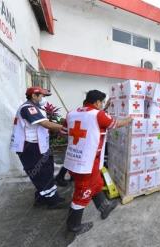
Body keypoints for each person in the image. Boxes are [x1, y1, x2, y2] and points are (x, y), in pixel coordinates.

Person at [63, 90, 132, 235]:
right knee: (82, 193)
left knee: (96, 183)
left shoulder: (72, 113)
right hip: (86, 162)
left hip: (74, 158)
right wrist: (129, 120)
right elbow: (115, 123)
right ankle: (73, 225)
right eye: (101, 103)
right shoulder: (98, 115)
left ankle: (104, 207)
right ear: (97, 102)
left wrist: (104, 109)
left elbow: (66, 130)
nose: (101, 105)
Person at [10, 86, 67, 209]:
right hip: (30, 147)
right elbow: (45, 123)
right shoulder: (28, 108)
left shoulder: (35, 108)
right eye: (41, 95)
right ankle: (53, 201)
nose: (43, 98)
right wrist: (65, 129)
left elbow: (42, 127)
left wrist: (56, 129)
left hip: (38, 145)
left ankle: (41, 198)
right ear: (34, 96)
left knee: (46, 169)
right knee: (43, 173)